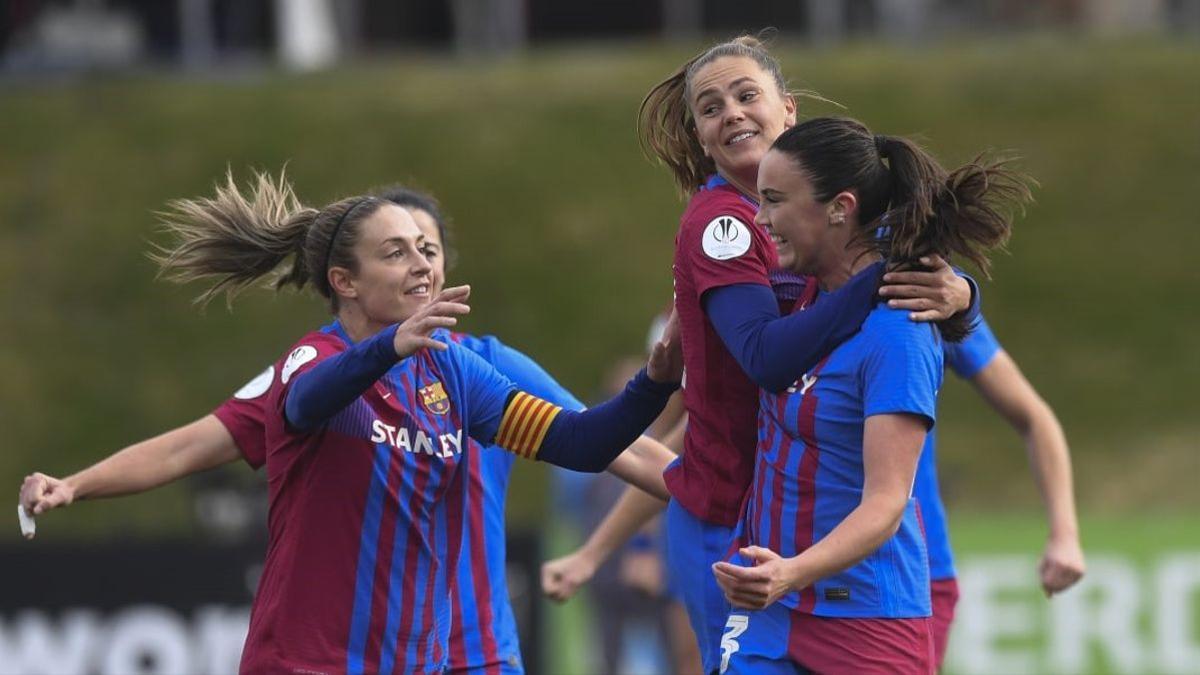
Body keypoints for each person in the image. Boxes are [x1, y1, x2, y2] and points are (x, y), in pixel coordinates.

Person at [22, 171, 682, 675]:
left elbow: (587, 442)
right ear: (346, 280)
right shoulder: (315, 359)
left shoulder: (463, 370)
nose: (421, 263)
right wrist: (77, 483)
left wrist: (657, 377)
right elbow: (301, 402)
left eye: (427, 249)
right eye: (396, 251)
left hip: (441, 658)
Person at [542, 35, 976, 674]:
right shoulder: (724, 225)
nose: (733, 113)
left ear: (789, 111)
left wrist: (961, 294)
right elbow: (762, 367)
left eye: (747, 95)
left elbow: (920, 273)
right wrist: (599, 543)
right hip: (735, 523)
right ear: (700, 137)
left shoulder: (832, 219)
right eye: (711, 108)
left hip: (815, 542)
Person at [710, 116, 1031, 673]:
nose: (761, 220)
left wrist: (792, 569)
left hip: (866, 619)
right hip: (772, 610)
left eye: (775, 201)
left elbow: (886, 503)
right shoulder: (798, 299)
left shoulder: (897, 332)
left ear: (840, 207)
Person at [917, 316, 1085, 667]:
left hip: (912, 575)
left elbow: (1034, 417)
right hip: (784, 568)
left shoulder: (930, 292)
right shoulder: (780, 292)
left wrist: (1065, 534)